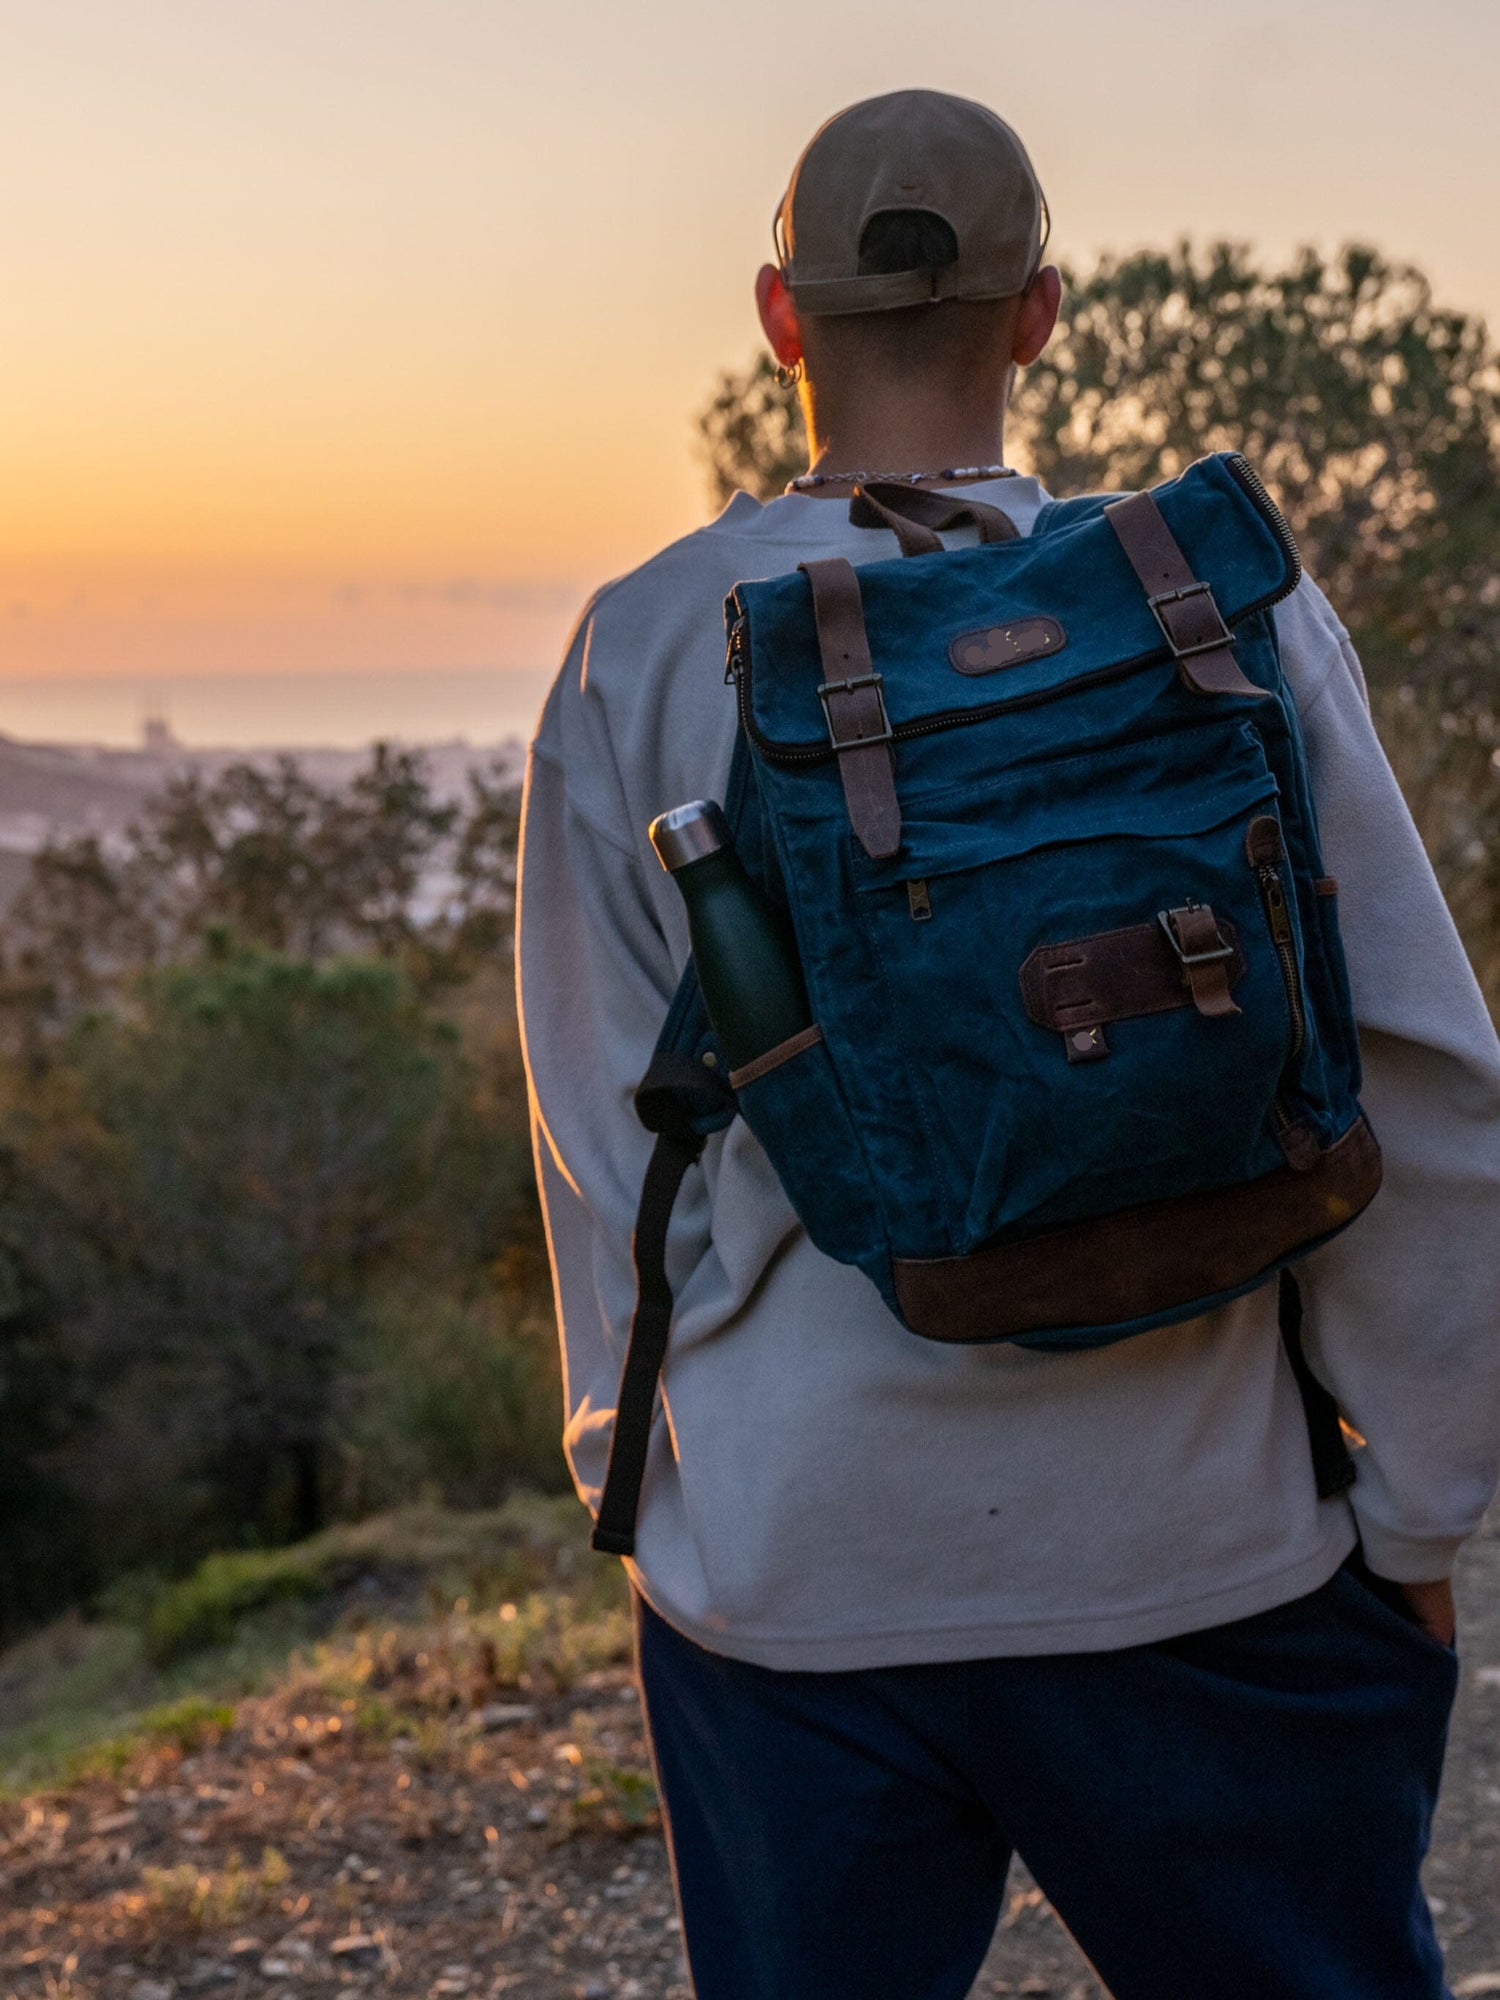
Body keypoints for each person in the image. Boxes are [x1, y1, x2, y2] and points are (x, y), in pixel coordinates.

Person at [516, 89, 1500, 2000]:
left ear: (778, 319)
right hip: (1205, 1544)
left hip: (797, 1577)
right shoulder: (1206, 614)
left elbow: (601, 1135)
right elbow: (1421, 1086)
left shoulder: (640, 645)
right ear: (1044, 311)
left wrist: (650, 1483)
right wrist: (1421, 1503)